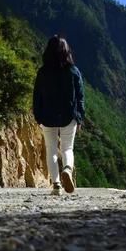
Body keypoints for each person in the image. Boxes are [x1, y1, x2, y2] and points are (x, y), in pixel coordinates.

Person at [33, 35, 85, 195]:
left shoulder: (42, 72)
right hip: (69, 115)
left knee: (51, 150)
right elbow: (80, 96)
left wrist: (38, 116)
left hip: (47, 116)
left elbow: (37, 96)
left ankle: (56, 185)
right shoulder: (73, 71)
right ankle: (67, 169)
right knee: (67, 147)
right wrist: (80, 117)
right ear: (66, 52)